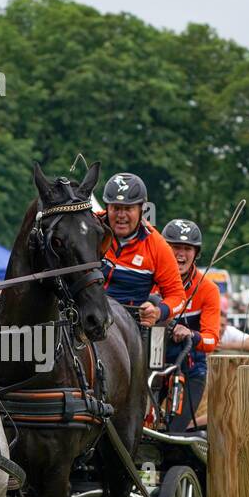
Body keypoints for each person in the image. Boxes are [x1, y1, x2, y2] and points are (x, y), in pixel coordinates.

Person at [97, 172, 185, 326]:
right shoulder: (89, 226)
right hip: (82, 311)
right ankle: (41, 349)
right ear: (107, 207)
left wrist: (158, 312)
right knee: (44, 322)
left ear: (141, 209)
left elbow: (178, 297)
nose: (121, 215)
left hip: (125, 323)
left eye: (128, 208)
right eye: (116, 208)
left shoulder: (158, 246)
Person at [159, 219, 220, 429]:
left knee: (175, 431)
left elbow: (211, 339)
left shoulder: (208, 289)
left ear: (196, 253)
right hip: (150, 365)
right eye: (175, 247)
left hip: (190, 369)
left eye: (187, 249)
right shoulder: (152, 281)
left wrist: (190, 335)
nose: (180, 254)